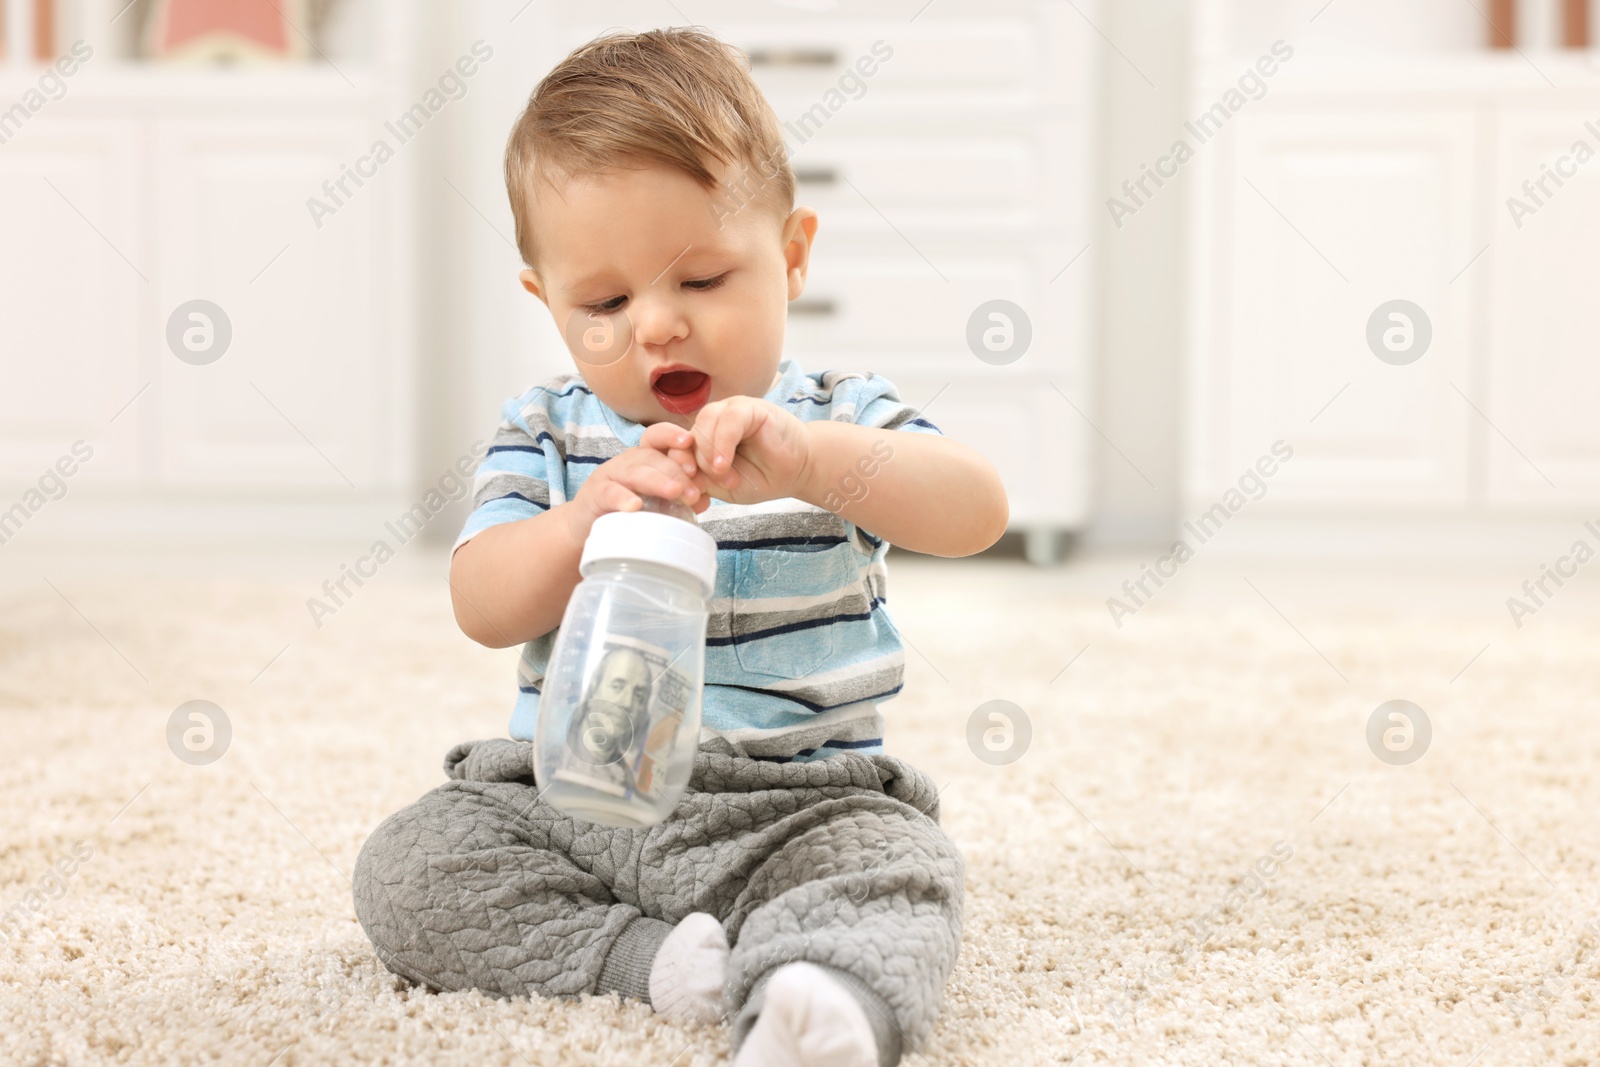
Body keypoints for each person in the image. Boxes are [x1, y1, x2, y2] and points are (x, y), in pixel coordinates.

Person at [352, 27, 1009, 1067]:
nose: (655, 324)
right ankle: (649, 961)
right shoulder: (547, 430)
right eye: (605, 303)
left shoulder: (828, 419)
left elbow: (975, 508)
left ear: (791, 253)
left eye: (701, 277)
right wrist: (581, 523)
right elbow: (482, 602)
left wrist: (812, 463)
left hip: (793, 808)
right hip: (565, 799)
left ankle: (818, 1001)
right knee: (409, 865)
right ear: (548, 303)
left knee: (902, 866)